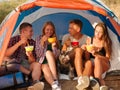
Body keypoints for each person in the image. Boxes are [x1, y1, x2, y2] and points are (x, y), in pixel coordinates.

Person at [5, 22, 44, 90]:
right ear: (23, 31)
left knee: (37, 64)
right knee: (6, 59)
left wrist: (30, 55)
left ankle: (35, 83)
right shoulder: (13, 39)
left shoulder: (32, 42)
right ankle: (29, 76)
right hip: (13, 64)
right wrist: (19, 43)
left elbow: (32, 61)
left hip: (24, 64)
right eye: (31, 31)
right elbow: (5, 53)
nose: (32, 33)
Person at [61, 19, 93, 90]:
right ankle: (80, 77)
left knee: (89, 63)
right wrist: (65, 45)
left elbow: (87, 58)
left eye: (71, 28)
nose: (69, 30)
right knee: (78, 49)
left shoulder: (87, 38)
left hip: (81, 63)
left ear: (78, 29)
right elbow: (62, 54)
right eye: (69, 28)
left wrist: (86, 50)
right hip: (69, 64)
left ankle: (82, 83)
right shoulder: (66, 37)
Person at [83, 22, 112, 90]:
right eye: (96, 31)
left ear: (104, 33)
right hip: (93, 65)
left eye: (100, 32)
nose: (97, 34)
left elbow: (107, 59)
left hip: (103, 64)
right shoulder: (90, 40)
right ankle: (99, 84)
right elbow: (87, 58)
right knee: (89, 63)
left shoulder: (106, 42)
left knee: (97, 59)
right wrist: (86, 51)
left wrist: (96, 54)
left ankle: (99, 81)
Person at [35, 21, 61, 90]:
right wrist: (42, 43)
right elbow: (38, 55)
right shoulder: (38, 38)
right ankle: (54, 85)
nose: (49, 31)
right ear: (44, 30)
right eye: (47, 29)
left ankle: (55, 79)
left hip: (53, 62)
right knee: (44, 66)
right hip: (43, 61)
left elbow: (56, 56)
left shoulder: (54, 39)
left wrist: (54, 47)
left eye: (51, 30)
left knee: (48, 53)